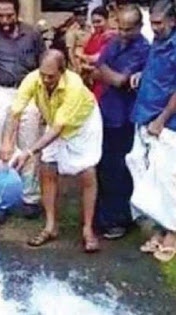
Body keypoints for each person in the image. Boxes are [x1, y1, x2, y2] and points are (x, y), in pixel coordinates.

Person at [1, 50, 103, 253]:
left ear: (62, 72)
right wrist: (7, 142)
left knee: (87, 173)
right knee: (47, 169)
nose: (46, 80)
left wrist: (29, 151)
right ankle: (50, 226)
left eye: (51, 76)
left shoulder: (73, 85)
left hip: (82, 125)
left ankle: (87, 229)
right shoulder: (33, 79)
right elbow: (16, 111)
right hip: (54, 120)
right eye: (43, 74)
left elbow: (58, 129)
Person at [0, 0, 45, 223]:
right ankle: (1, 199)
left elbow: (43, 68)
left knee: (30, 144)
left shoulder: (33, 34)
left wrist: (44, 104)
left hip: (30, 92)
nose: (5, 21)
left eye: (9, 15)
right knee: (1, 147)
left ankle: (30, 198)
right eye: (1, 16)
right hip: (2, 92)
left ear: (17, 13)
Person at [92, 4, 150, 240]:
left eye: (128, 29)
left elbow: (118, 79)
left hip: (125, 117)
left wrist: (104, 70)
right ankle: (101, 217)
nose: (123, 33)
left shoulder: (144, 49)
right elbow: (96, 73)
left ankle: (118, 220)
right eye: (121, 28)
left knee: (119, 170)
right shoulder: (114, 43)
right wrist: (105, 72)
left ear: (139, 27)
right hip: (105, 111)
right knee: (102, 166)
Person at [127, 0, 176, 262]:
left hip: (167, 123)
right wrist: (139, 74)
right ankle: (159, 226)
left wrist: (162, 118)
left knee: (169, 179)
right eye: (152, 23)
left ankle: (173, 233)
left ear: (172, 21)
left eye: (158, 23)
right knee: (149, 176)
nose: (154, 28)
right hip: (145, 114)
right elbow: (156, 72)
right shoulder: (158, 43)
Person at [78, 5, 115, 100]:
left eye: (99, 21)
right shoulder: (95, 36)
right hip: (91, 80)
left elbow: (99, 58)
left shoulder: (111, 37)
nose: (95, 25)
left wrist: (82, 57)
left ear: (107, 20)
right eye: (93, 22)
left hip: (104, 82)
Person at [65, 5, 91, 73]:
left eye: (84, 15)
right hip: (77, 62)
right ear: (76, 17)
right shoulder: (72, 31)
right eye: (79, 16)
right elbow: (70, 51)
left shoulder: (89, 28)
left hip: (87, 60)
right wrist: (74, 66)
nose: (82, 18)